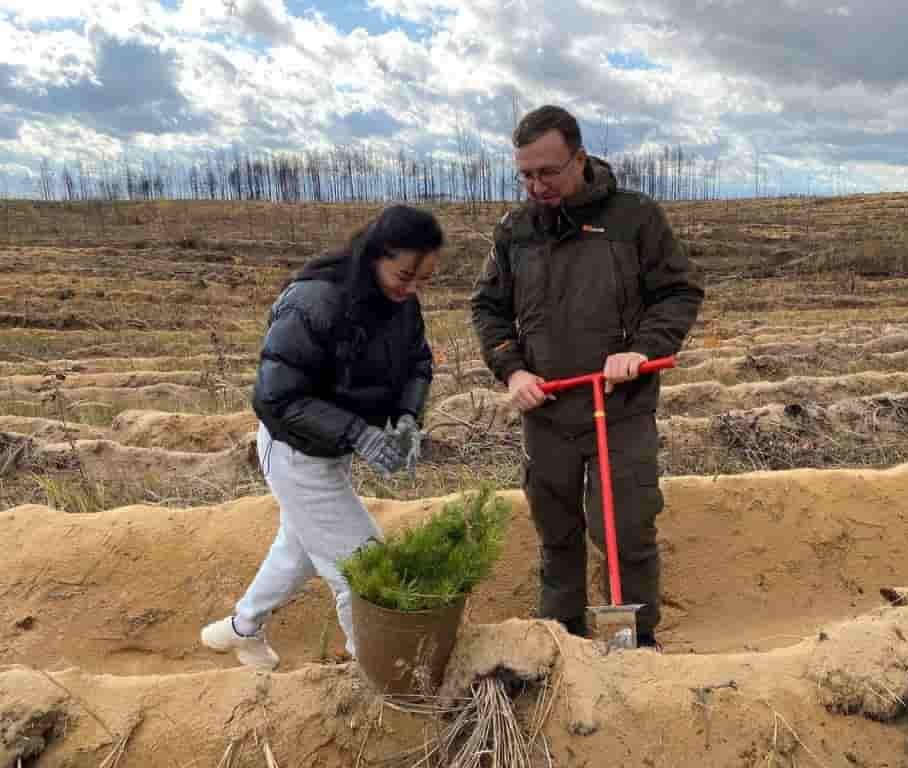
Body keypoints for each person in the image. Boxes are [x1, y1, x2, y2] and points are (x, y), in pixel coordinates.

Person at [470, 105, 704, 649]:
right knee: (555, 529)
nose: (536, 185)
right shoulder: (515, 229)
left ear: (578, 159)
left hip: (618, 406)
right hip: (546, 408)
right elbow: (488, 308)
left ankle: (635, 639)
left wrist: (642, 351)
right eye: (525, 174)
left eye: (547, 172)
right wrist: (512, 370)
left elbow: (678, 292)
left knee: (623, 528)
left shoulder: (633, 217)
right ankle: (562, 637)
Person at [201, 204, 442, 669]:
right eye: (404, 275)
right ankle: (372, 672)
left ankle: (240, 631)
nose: (412, 289)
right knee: (362, 569)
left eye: (424, 280)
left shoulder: (399, 305)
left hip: (328, 450)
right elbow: (278, 397)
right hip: (294, 451)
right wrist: (359, 433)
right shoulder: (313, 302)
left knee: (298, 551)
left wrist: (408, 417)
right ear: (375, 254)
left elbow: (418, 362)